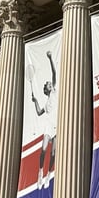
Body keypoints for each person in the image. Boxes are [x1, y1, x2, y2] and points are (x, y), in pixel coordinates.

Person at [30, 51, 58, 189]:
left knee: (53, 153)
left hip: (57, 125)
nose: (49, 84)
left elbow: (54, 73)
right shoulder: (47, 102)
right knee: (43, 149)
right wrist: (35, 101)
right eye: (48, 84)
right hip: (49, 125)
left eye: (49, 83)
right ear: (46, 90)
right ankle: (40, 172)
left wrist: (50, 58)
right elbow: (39, 112)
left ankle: (48, 175)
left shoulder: (54, 92)